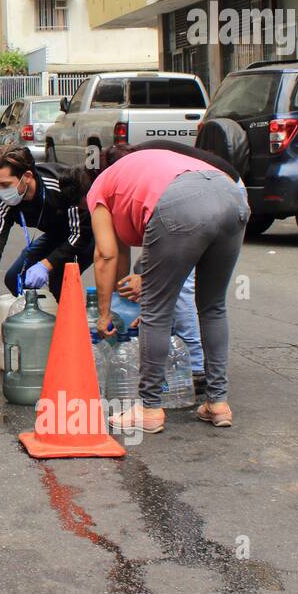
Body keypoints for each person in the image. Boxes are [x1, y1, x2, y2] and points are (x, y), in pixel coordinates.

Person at [87, 147, 249, 434]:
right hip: (231, 197)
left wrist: (103, 314)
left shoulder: (98, 189)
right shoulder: (139, 169)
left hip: (181, 203)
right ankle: (218, 402)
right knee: (213, 306)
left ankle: (148, 408)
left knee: (155, 311)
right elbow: (122, 257)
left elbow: (107, 255)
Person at [0, 145, 93, 339]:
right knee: (14, 278)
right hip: (55, 235)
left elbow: (82, 234)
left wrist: (46, 265)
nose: (1, 191)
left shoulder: (62, 184)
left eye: (5, 184)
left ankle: (75, 338)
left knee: (59, 280)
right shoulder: (5, 200)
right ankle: (40, 332)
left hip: (83, 235)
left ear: (27, 176)